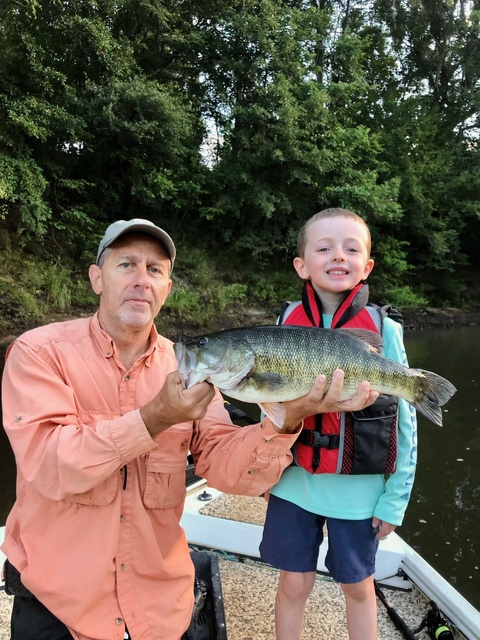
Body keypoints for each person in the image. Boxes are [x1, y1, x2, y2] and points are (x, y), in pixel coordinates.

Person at [1, 218, 379, 640]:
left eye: (156, 270)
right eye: (126, 265)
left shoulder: (191, 369)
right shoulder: (38, 353)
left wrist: (287, 419)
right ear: (96, 278)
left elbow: (231, 473)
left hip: (158, 607)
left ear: (167, 288)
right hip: (56, 603)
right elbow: (50, 466)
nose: (142, 280)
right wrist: (154, 418)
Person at [259, 208, 418, 640]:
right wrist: (265, 468)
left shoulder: (385, 328)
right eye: (324, 247)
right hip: (294, 483)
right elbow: (266, 403)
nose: (338, 256)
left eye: (351, 249)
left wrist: (394, 500)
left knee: (358, 586)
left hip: (359, 491)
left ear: (366, 266)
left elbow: (406, 424)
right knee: (293, 581)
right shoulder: (284, 322)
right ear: (302, 264)